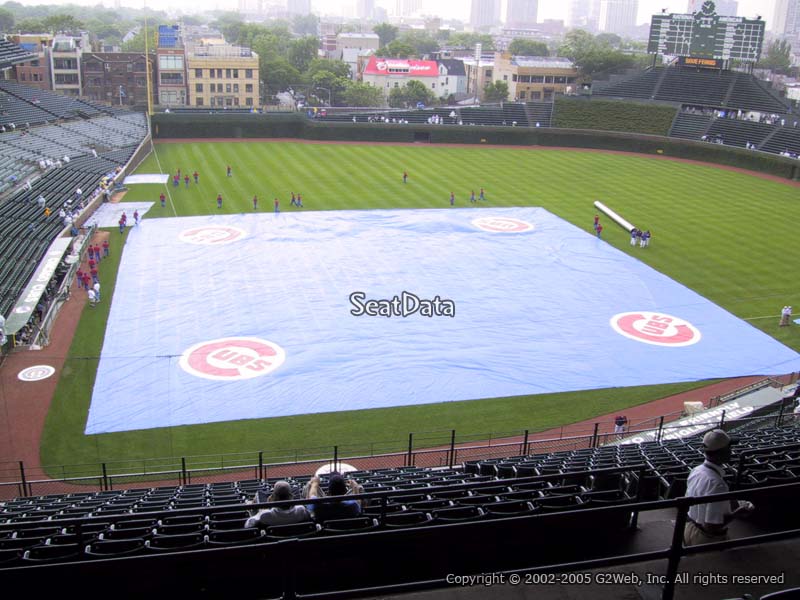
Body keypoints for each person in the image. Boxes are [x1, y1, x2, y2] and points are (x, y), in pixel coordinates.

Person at [683, 429, 754, 546]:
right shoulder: (717, 484)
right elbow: (711, 527)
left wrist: (734, 502)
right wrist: (738, 512)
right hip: (706, 540)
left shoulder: (696, 470)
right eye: (729, 449)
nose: (731, 451)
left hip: (688, 529)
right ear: (721, 453)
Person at [244, 481, 309, 528]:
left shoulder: (265, 515)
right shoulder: (301, 510)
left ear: (274, 498)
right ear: (291, 496)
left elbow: (247, 525)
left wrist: (267, 507)